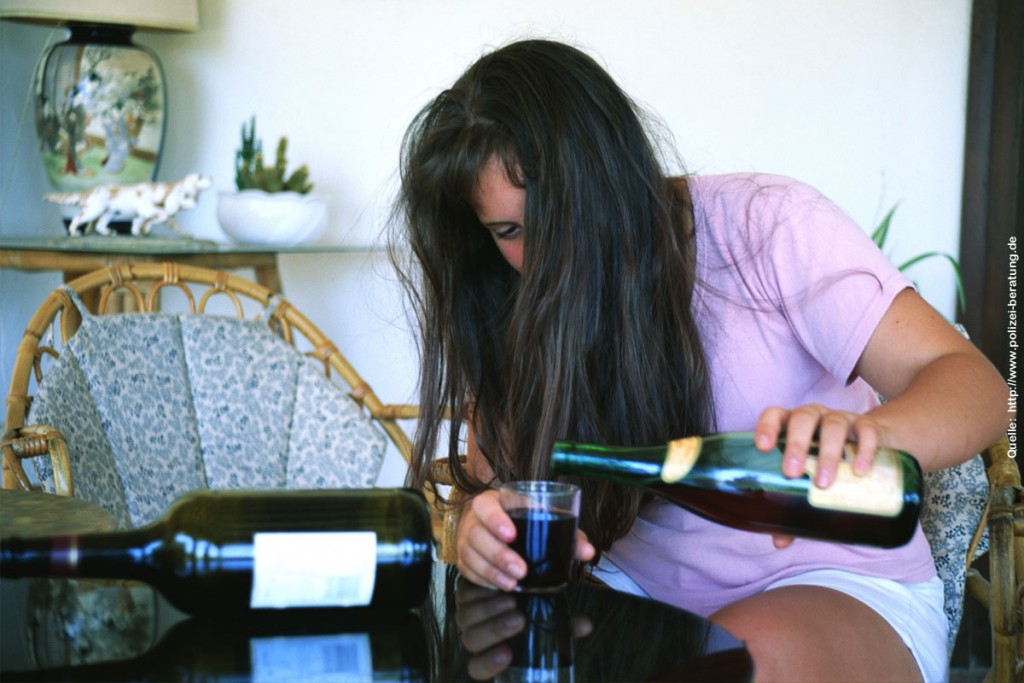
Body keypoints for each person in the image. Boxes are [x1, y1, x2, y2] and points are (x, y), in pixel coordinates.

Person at [391, 39, 1011, 682]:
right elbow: (500, 485)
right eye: (509, 231)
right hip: (626, 599)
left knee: (725, 668)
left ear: (609, 175)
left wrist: (869, 436)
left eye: (556, 215)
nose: (542, 256)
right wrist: (482, 532)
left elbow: (977, 387)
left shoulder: (765, 227)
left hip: (831, 584)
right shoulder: (508, 293)